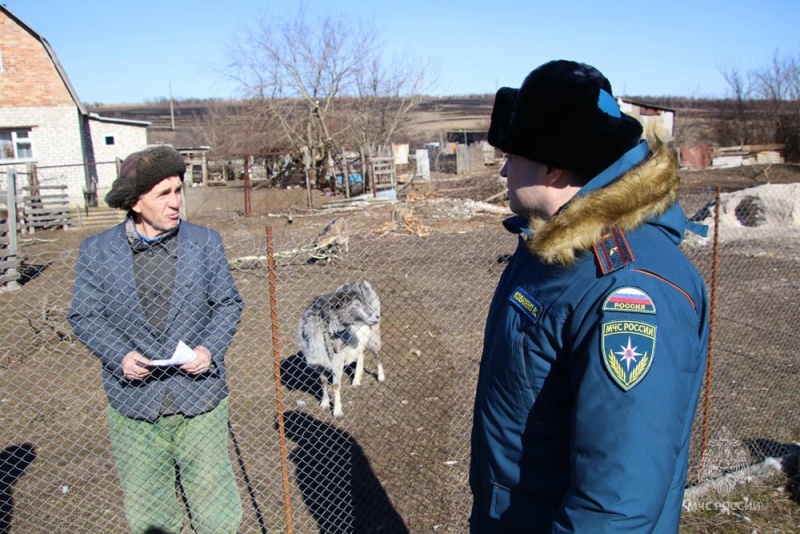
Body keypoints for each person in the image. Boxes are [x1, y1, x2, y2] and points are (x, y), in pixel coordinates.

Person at [469, 60, 710, 532]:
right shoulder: (553, 247)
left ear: (555, 167)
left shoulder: (627, 290)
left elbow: (616, 501)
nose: (502, 170)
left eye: (513, 155)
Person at [68, 145, 244, 533]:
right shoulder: (97, 252)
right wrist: (119, 357)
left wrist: (209, 349)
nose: (176, 202)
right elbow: (84, 314)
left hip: (200, 400)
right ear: (135, 203)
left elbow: (228, 303)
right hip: (134, 407)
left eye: (178, 190)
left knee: (217, 514)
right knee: (151, 516)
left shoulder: (205, 242)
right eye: (163, 194)